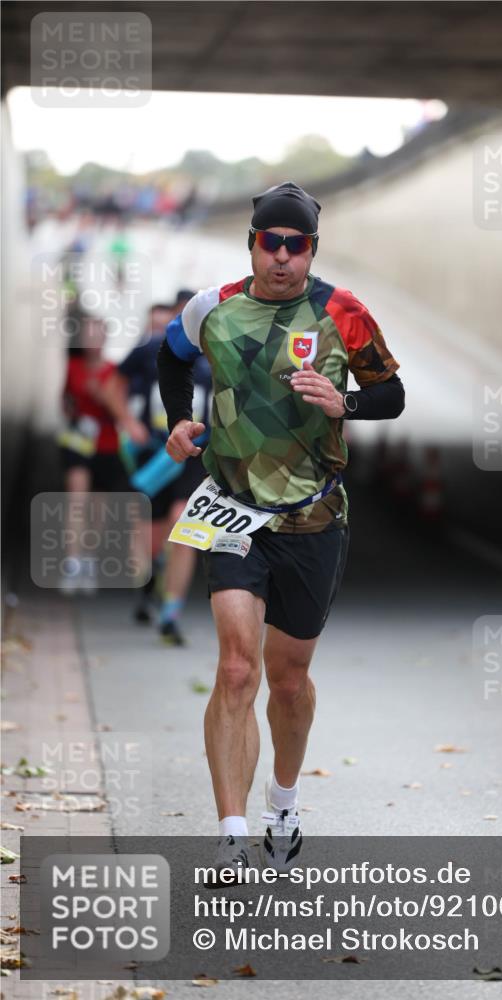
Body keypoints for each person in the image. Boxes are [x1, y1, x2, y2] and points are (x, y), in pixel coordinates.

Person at [157, 181, 404, 872]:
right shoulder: (213, 307)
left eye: (298, 246)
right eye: (274, 242)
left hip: (313, 515)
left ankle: (283, 803)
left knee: (287, 680)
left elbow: (391, 393)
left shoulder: (340, 311)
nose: (285, 257)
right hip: (233, 509)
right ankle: (231, 832)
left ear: (311, 251)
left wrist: (344, 401)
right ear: (254, 243)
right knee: (236, 668)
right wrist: (178, 421)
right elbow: (170, 358)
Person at [118, 295, 212, 645]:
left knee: (183, 523)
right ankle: (152, 577)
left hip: (195, 455)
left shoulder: (216, 352)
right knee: (152, 539)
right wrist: (128, 422)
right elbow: (113, 382)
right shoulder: (152, 349)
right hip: (157, 454)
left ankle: (171, 612)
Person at [57, 316, 148, 593]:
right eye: (88, 336)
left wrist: (106, 400)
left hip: (108, 446)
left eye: (97, 335)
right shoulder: (72, 367)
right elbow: (65, 400)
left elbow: (122, 406)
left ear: (105, 338)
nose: (92, 341)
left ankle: (87, 559)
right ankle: (72, 563)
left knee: (98, 511)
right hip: (79, 443)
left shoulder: (114, 371)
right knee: (77, 499)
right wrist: (75, 414)